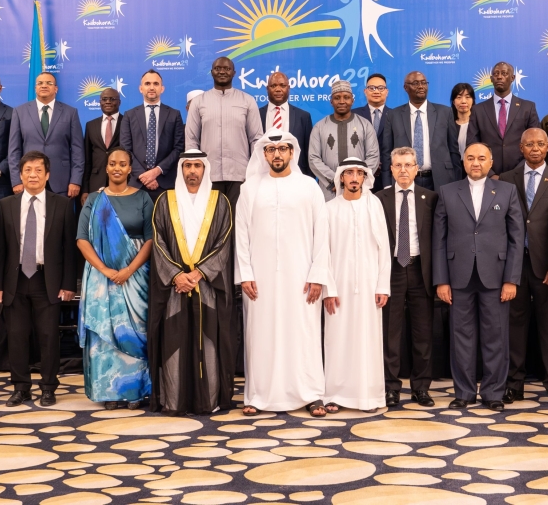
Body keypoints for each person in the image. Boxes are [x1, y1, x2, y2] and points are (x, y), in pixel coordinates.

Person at [236, 131, 330, 416]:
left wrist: (318, 275)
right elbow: (241, 234)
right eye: (271, 150)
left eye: (282, 149)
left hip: (302, 277)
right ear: (263, 155)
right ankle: (257, 396)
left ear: (292, 152)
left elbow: (321, 235)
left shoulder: (309, 187)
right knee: (260, 334)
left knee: (304, 333)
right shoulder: (250, 188)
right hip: (259, 277)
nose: (276, 154)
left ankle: (311, 394)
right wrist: (245, 273)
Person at [432, 143, 523, 411]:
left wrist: (511, 279)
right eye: (470, 158)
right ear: (463, 161)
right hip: (458, 276)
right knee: (461, 336)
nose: (475, 163)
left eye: (481, 158)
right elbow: (439, 239)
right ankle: (464, 392)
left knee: (496, 336)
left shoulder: (507, 191)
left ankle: (494, 392)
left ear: (490, 161)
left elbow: (517, 238)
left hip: (496, 277)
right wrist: (441, 280)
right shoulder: (448, 192)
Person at [149, 149, 235, 415]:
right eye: (188, 166)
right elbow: (158, 241)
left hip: (207, 286)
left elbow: (224, 243)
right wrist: (177, 274)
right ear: (181, 170)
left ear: (205, 169)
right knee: (174, 342)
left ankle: (207, 400)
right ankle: (175, 401)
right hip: (175, 287)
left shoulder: (220, 201)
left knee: (208, 343)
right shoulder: (165, 200)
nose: (193, 171)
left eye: (198, 166)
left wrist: (198, 273)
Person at [0, 151, 77, 407]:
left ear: (47, 175)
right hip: (14, 279)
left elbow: (69, 249)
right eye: (28, 170)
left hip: (46, 279)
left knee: (48, 336)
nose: (33, 175)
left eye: (39, 170)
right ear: (20, 174)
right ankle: (21, 387)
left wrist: (68, 283)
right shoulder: (6, 204)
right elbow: (0, 249)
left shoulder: (61, 204)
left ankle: (49, 387)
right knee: (17, 336)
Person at [76, 148, 154, 409]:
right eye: (112, 163)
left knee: (136, 332)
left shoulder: (143, 198)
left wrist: (128, 270)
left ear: (130, 168)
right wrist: (106, 271)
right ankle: (108, 392)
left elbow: (151, 239)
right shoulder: (94, 200)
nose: (117, 168)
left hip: (136, 278)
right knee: (104, 333)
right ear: (106, 168)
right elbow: (82, 240)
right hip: (101, 279)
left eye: (123, 164)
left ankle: (136, 392)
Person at [498, 128, 548, 408]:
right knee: (514, 326)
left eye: (540, 144)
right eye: (529, 144)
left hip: (547, 265)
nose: (535, 149)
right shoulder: (506, 180)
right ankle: (513, 385)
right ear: (521, 147)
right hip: (514, 265)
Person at [322, 157, 390, 413]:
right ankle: (336, 395)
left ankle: (368, 397)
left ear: (364, 178)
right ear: (341, 177)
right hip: (338, 288)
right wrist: (329, 289)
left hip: (370, 287)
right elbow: (323, 253)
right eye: (348, 173)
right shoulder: (329, 209)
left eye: (358, 173)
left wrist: (382, 285)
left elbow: (384, 247)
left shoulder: (374, 205)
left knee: (368, 341)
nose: (353, 177)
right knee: (337, 340)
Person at [377, 147, 438, 408]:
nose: (403, 170)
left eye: (408, 165)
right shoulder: (378, 199)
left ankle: (421, 388)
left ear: (417, 169)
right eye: (398, 165)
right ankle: (390, 387)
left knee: (422, 333)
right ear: (391, 169)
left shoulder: (431, 198)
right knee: (390, 333)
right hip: (390, 269)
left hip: (420, 269)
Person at [186, 57, 264, 211]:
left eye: (227, 68)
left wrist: (253, 172)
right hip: (208, 176)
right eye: (218, 68)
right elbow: (191, 139)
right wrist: (195, 170)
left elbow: (256, 139)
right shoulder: (199, 102)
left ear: (234, 73)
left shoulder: (247, 101)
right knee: (210, 225)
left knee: (238, 224)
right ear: (212, 72)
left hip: (241, 176)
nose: (222, 71)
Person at [9, 72, 85, 198]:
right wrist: (17, 180)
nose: (44, 86)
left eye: (49, 83)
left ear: (56, 88)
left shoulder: (70, 112)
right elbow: (14, 150)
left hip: (62, 183)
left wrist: (75, 180)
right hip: (30, 181)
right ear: (35, 88)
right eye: (40, 83)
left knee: (60, 217)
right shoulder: (19, 112)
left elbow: (78, 150)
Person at [381, 71, 461, 190]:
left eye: (424, 83)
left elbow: (454, 151)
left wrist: (457, 182)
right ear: (406, 87)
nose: (421, 86)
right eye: (415, 83)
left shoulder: (444, 112)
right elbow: (387, 153)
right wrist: (387, 183)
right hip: (405, 179)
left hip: (440, 180)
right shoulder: (393, 115)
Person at [309, 80, 380, 200]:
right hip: (329, 190)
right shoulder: (319, 127)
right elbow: (313, 158)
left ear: (352, 100)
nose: (342, 101)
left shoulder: (365, 125)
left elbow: (373, 157)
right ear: (331, 101)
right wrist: (335, 180)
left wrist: (355, 179)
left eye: (346, 97)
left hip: (358, 188)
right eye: (337, 98)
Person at [122, 69, 185, 201]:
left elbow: (178, 148)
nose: (151, 87)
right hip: (137, 183)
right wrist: (144, 176)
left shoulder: (174, 115)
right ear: (141, 88)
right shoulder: (129, 115)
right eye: (147, 83)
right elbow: (125, 150)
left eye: (156, 84)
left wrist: (156, 171)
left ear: (162, 88)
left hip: (165, 183)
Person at [467, 62, 541, 175]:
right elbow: (472, 145)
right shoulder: (478, 110)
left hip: (520, 174)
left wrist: (515, 173)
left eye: (504, 73)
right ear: (491, 79)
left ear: (512, 78)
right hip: (488, 176)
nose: (500, 76)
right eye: (496, 74)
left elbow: (534, 143)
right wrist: (490, 174)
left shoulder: (528, 107)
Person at [259, 71, 314, 178]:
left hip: (296, 176)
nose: (278, 89)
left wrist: (308, 180)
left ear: (288, 88)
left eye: (282, 85)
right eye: (273, 85)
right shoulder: (256, 115)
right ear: (267, 88)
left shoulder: (303, 116)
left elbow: (309, 152)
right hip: (264, 176)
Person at [82, 88, 124, 202]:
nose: (108, 102)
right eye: (104, 99)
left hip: (121, 182)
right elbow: (87, 159)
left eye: (112, 99)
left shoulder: (127, 122)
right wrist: (85, 189)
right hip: (95, 182)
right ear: (100, 102)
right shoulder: (91, 125)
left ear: (119, 102)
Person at [352, 73, 390, 191]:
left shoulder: (396, 115)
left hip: (387, 176)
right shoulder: (354, 115)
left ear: (386, 92)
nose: (376, 91)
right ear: (365, 91)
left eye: (380, 88)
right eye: (371, 88)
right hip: (359, 175)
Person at [450, 83, 475, 177]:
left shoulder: (479, 124)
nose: (463, 101)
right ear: (453, 101)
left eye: (468, 97)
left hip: (473, 170)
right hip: (453, 171)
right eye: (459, 97)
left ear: (472, 100)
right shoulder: (448, 124)